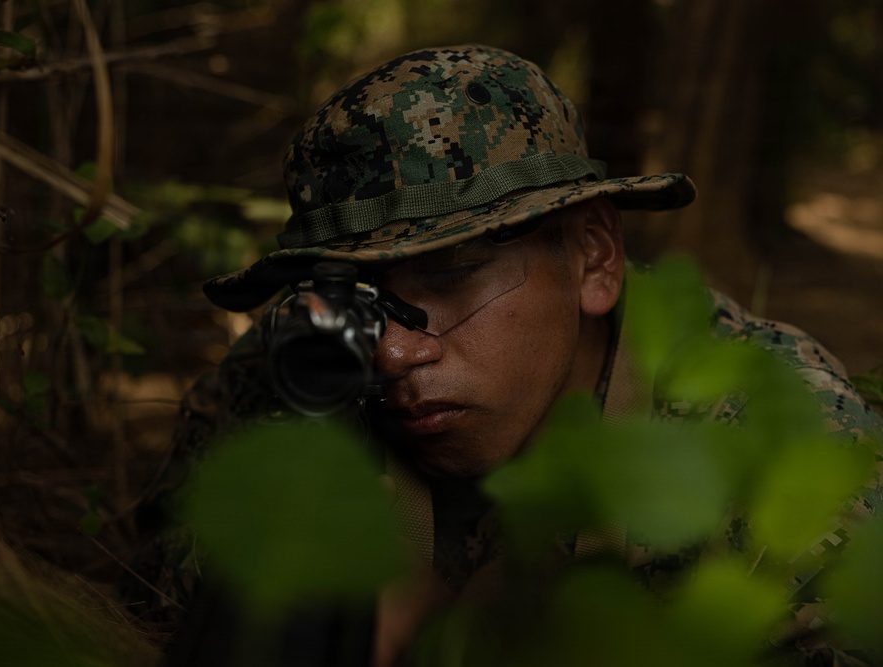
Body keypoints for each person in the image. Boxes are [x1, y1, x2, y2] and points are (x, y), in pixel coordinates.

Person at [155, 45, 883, 665]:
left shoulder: (779, 444)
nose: (396, 351)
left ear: (593, 257)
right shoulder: (294, 381)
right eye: (360, 299)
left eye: (450, 275)